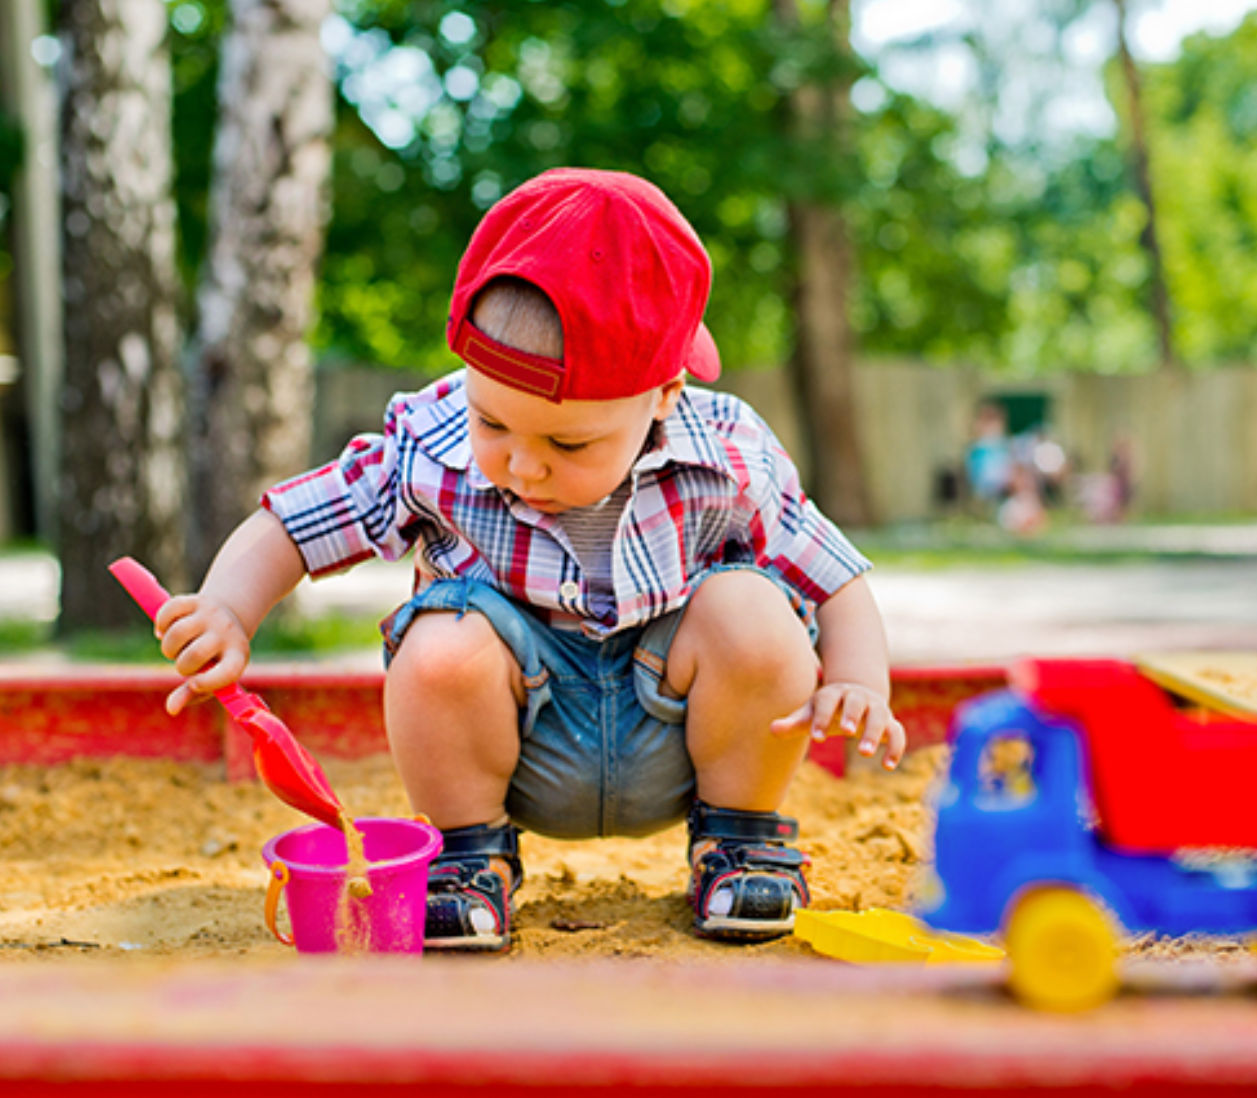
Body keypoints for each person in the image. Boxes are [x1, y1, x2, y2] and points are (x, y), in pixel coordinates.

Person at [147, 168, 906, 951]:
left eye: (568, 443)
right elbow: (298, 521)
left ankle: (742, 843)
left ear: (664, 395)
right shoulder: (433, 439)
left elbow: (834, 576)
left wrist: (857, 681)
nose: (523, 465)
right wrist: (227, 608)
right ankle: (468, 861)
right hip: (515, 743)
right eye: (493, 422)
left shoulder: (728, 452)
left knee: (753, 609)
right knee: (440, 644)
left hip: (676, 734)